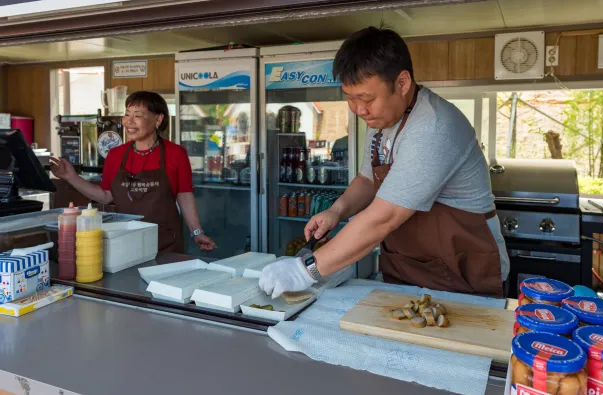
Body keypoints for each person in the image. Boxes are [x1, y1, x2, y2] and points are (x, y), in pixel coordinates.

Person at [259, 27, 509, 299]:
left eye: (366, 98)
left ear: (402, 83)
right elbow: (367, 179)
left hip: (461, 269)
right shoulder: (382, 121)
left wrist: (305, 270)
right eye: (349, 97)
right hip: (409, 265)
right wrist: (336, 211)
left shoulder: (433, 127)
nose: (358, 110)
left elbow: (384, 217)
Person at [50, 91, 216, 254]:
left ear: (158, 119)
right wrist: (71, 177)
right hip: (124, 240)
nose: (129, 122)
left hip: (165, 242)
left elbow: (184, 195)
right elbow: (106, 196)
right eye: (127, 114)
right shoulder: (115, 155)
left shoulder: (176, 154)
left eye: (138, 115)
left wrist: (197, 233)